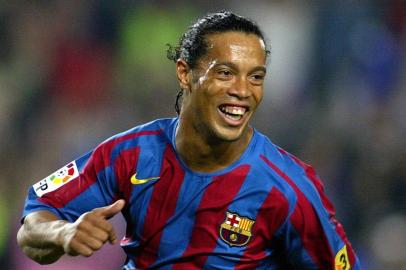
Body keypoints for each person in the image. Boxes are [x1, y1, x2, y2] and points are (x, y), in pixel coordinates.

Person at [17, 11, 361, 269]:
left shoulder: (288, 187)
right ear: (185, 73)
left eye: (255, 77)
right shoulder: (133, 153)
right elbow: (33, 222)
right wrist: (63, 234)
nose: (242, 91)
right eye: (225, 73)